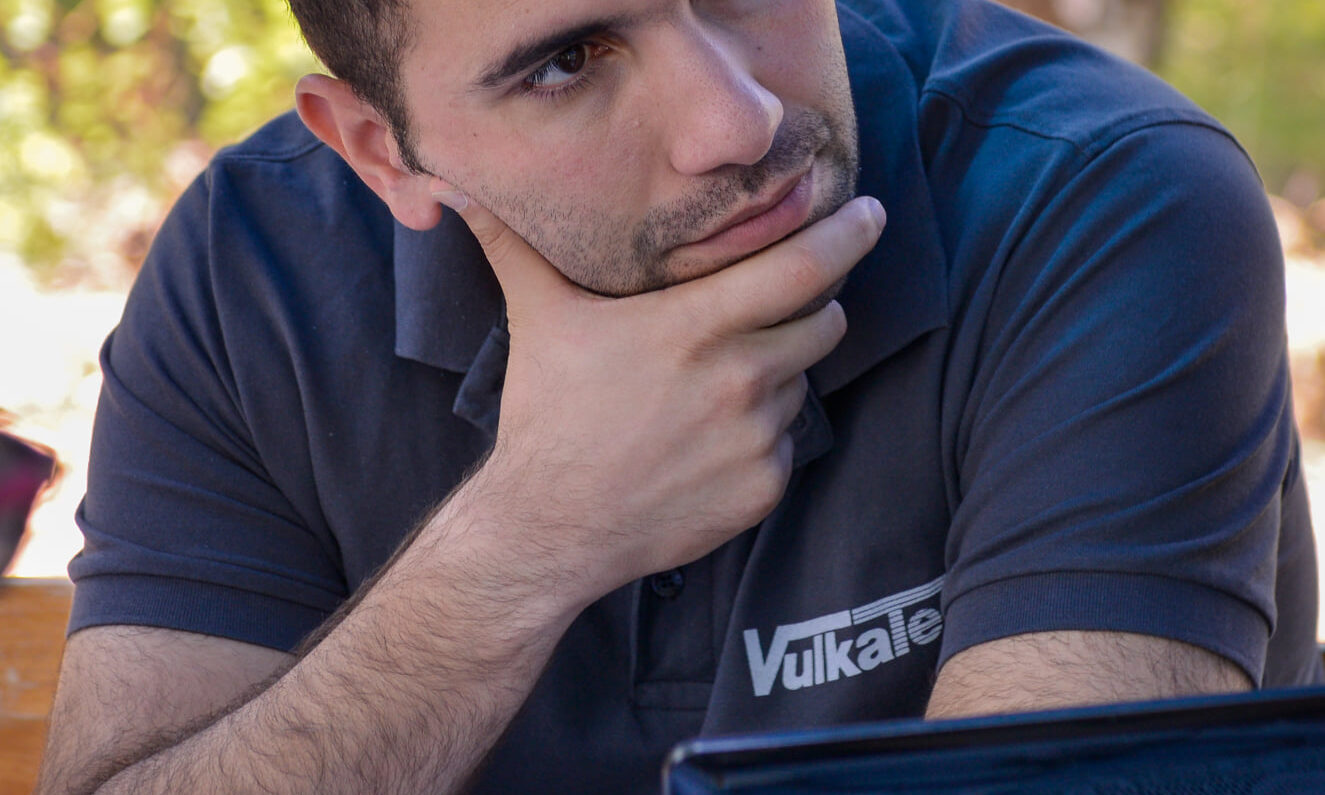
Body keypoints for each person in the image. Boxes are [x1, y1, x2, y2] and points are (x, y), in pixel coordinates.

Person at [37, 0, 1322, 792]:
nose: (736, 122)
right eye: (566, 62)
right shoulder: (254, 273)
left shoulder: (1100, 193)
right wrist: (524, 540)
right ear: (382, 150)